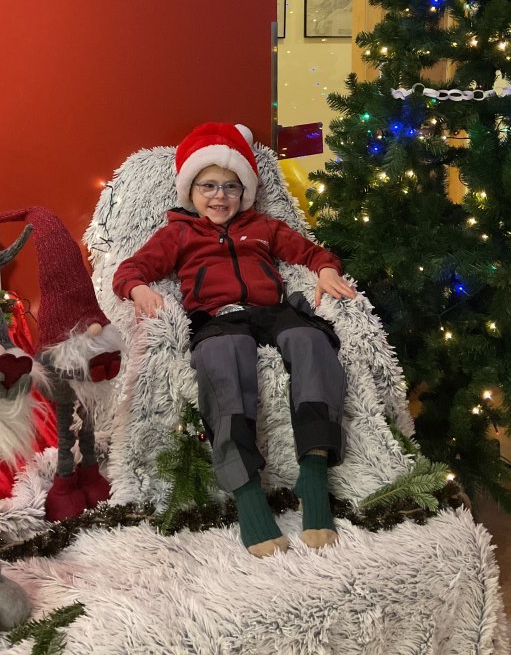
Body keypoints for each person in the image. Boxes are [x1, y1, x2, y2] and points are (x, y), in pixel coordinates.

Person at [112, 122, 356, 558]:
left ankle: (314, 476)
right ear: (191, 191)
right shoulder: (179, 233)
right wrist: (138, 289)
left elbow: (311, 252)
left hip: (272, 311)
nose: (219, 196)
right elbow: (130, 269)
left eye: (230, 186)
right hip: (218, 318)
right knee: (225, 357)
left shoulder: (263, 226)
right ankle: (248, 496)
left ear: (244, 192)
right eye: (208, 186)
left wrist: (325, 270)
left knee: (312, 341)